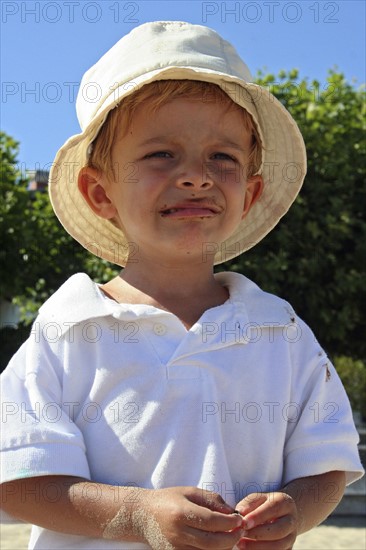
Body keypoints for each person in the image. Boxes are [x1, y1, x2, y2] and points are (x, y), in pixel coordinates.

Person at [0, 21, 363, 550]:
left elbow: (327, 462)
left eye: (223, 157)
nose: (197, 176)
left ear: (251, 192)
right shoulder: (66, 331)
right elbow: (19, 481)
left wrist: (296, 510)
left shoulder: (280, 330)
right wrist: (136, 514)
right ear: (100, 193)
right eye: (160, 155)